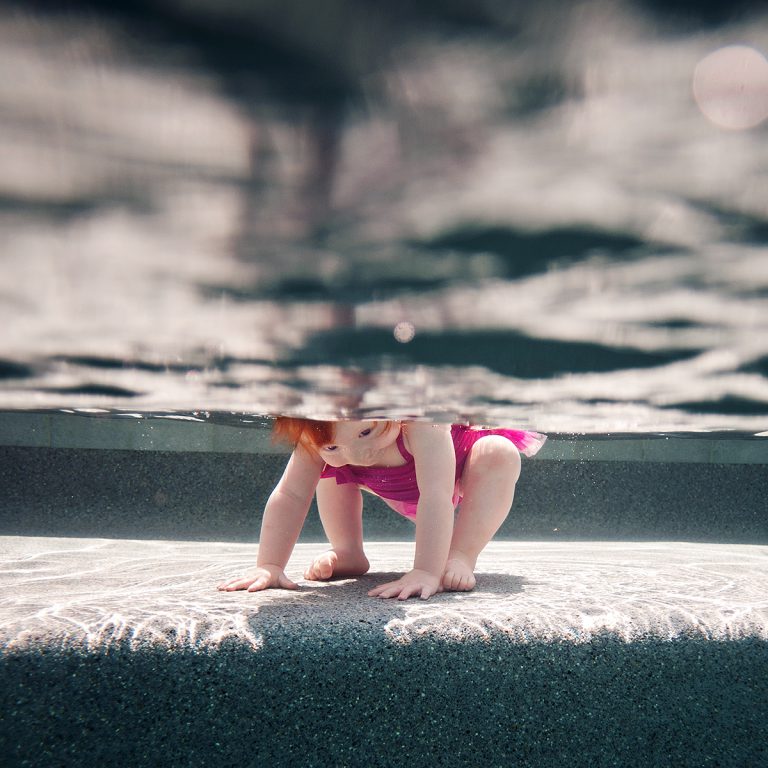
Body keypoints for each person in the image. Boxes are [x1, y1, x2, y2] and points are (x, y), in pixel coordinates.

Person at [217, 418, 546, 600]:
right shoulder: (321, 432)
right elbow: (290, 495)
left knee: (499, 453)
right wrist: (270, 565)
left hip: (454, 474)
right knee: (327, 468)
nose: (360, 453)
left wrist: (427, 571)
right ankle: (348, 552)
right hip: (392, 486)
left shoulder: (421, 422)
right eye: (334, 444)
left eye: (366, 431)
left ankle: (461, 555)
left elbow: (436, 495)